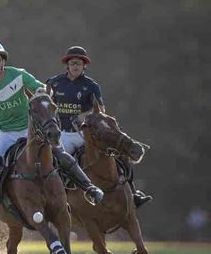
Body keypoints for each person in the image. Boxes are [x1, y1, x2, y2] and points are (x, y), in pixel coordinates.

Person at [0, 40, 104, 227]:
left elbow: (45, 89)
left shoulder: (18, 75)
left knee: (59, 152)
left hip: (29, 130)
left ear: (2, 62)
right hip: (5, 133)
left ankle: (89, 188)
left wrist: (40, 92)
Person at [47, 46, 152, 207]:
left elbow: (100, 111)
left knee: (120, 153)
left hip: (85, 134)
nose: (76, 66)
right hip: (63, 134)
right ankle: (59, 200)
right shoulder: (54, 83)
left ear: (84, 66)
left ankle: (133, 191)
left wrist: (84, 115)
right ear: (67, 65)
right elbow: (45, 105)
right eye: (73, 63)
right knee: (57, 163)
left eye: (79, 64)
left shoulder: (91, 86)